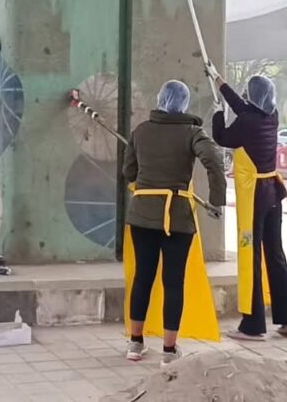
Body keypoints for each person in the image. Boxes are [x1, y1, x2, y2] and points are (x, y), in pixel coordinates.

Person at [122, 80, 226, 366]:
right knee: (173, 282)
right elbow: (215, 162)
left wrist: (144, 175)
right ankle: (169, 351)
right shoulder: (193, 133)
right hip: (177, 218)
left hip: (142, 215)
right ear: (184, 104)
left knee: (143, 278)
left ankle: (135, 343)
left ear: (159, 99)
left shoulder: (140, 131)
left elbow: (128, 171)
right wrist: (216, 201)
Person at [207, 66, 287, 341]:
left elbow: (222, 137)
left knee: (250, 256)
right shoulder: (270, 117)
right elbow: (245, 107)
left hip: (254, 199)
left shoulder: (247, 123)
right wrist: (220, 82)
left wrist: (217, 112)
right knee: (276, 254)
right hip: (273, 193)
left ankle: (252, 325)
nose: (245, 97)